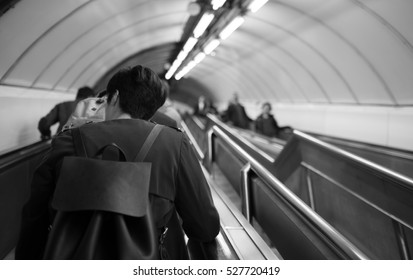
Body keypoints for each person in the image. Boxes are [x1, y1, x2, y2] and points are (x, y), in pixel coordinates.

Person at [15, 65, 220, 260]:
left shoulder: (69, 140)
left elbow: (35, 214)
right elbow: (204, 225)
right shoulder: (174, 144)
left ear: (114, 97)